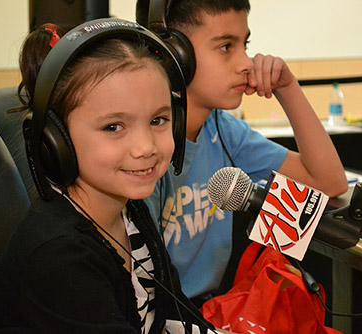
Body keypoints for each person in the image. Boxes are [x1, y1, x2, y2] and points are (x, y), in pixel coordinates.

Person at [0, 20, 218, 333]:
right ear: (55, 139)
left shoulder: (129, 212)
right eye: (113, 127)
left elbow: (177, 313)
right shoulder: (58, 256)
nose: (145, 147)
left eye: (158, 120)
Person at [136, 0, 349, 303]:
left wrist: (287, 89)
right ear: (174, 54)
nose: (246, 63)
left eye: (244, 45)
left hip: (209, 310)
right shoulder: (144, 148)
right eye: (226, 47)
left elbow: (329, 183)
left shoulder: (223, 130)